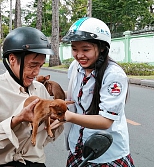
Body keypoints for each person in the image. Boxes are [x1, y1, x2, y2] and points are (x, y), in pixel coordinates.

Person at [0, 27, 64, 167]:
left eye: (41, 66)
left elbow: (47, 138)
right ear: (12, 59)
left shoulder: (40, 89)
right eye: (32, 65)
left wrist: (55, 121)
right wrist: (16, 120)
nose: (36, 72)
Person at [51, 17, 135, 166]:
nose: (79, 55)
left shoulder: (113, 75)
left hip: (106, 154)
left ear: (102, 47)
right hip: (79, 148)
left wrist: (67, 116)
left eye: (86, 49)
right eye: (74, 49)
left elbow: (105, 121)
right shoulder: (76, 67)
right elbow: (77, 97)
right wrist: (54, 92)